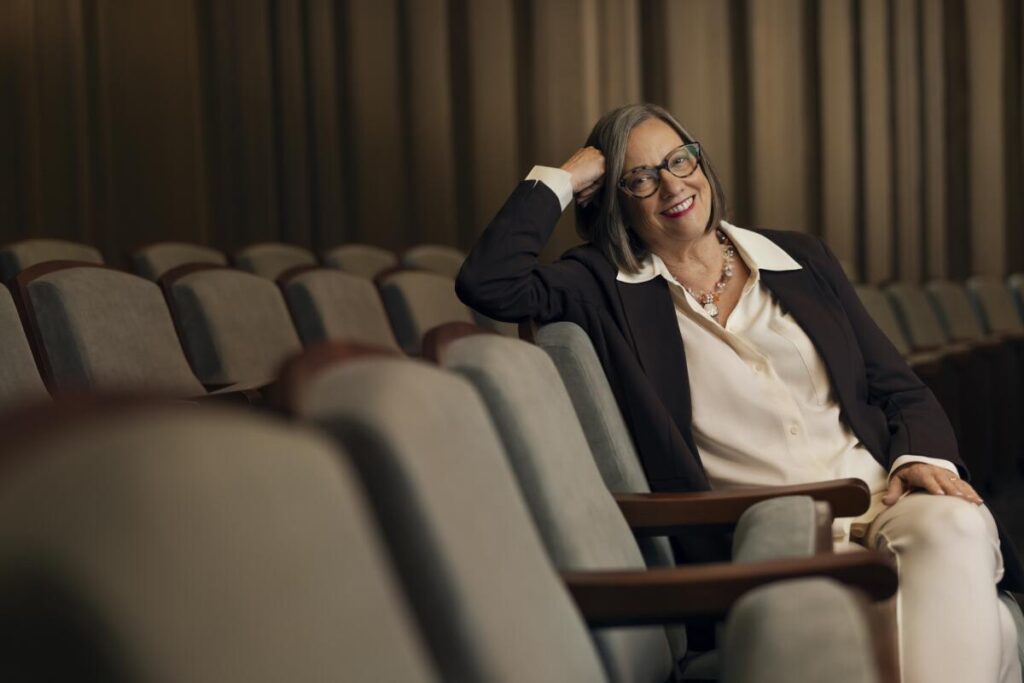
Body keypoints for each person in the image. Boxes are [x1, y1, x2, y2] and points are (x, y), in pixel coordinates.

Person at [455, 102, 1023, 683]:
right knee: (995, 631)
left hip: (885, 497)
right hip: (776, 537)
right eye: (641, 177)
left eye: (680, 160)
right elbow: (488, 282)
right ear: (613, 200)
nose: (672, 185)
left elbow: (896, 385)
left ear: (702, 161)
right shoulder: (601, 286)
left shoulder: (801, 257)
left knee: (959, 523)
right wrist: (565, 176)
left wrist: (919, 456)